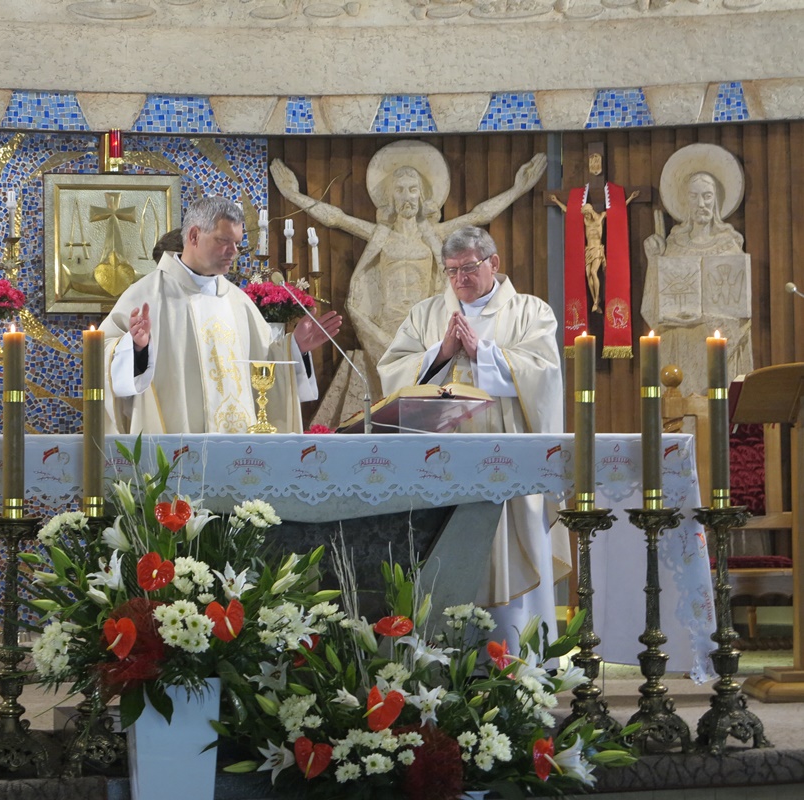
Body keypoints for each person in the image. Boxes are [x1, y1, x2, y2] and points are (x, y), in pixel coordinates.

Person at [378, 226, 568, 651]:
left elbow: (544, 374)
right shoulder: (426, 315)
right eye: (451, 271)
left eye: (468, 267)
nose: (459, 279)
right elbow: (393, 371)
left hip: (507, 468)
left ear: (493, 263)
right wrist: (441, 353)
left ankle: (518, 665)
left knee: (508, 557)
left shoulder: (530, 312)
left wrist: (485, 352)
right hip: (440, 468)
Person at [271, 142, 546, 382]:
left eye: (413, 190)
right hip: (386, 325)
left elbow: (478, 216)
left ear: (421, 195)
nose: (407, 196)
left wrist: (517, 189)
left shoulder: (433, 234)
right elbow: (337, 218)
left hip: (426, 328)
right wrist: (293, 195)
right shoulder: (382, 236)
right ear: (391, 197)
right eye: (400, 190)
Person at [102, 196, 342, 434]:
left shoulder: (238, 301)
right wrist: (136, 349)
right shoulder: (147, 295)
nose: (233, 251)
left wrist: (295, 348)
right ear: (194, 236)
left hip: (238, 449)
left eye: (237, 243)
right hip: (177, 447)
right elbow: (101, 356)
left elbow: (264, 366)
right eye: (224, 241)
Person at [642, 144, 751, 396]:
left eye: (707, 196)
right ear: (685, 200)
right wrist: (654, 262)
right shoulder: (674, 246)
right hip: (679, 343)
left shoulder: (729, 246)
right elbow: (653, 308)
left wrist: (706, 319)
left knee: (715, 406)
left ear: (717, 200)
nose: (701, 203)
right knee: (679, 405)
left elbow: (740, 315)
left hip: (715, 343)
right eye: (694, 196)